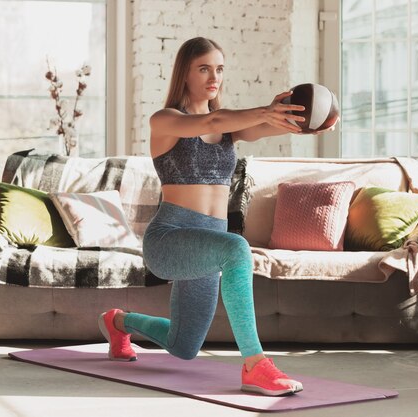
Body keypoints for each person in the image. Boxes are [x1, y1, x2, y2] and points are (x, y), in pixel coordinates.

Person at [98, 37, 334, 396]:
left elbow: (264, 126)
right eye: (204, 68)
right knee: (237, 248)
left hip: (209, 244)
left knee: (184, 346)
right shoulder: (165, 121)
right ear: (185, 74)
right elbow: (215, 117)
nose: (214, 77)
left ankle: (118, 322)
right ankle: (256, 365)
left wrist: (309, 123)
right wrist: (263, 110)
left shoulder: (229, 128)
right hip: (171, 239)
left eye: (219, 69)